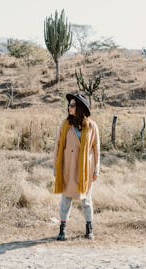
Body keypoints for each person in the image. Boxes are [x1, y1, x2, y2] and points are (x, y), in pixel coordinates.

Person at [53, 93, 100, 241]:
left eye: (72, 105)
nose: (69, 107)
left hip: (86, 170)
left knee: (86, 201)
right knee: (66, 200)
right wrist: (56, 167)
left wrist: (96, 170)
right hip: (68, 168)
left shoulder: (92, 126)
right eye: (69, 105)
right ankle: (62, 230)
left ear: (79, 108)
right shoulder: (66, 125)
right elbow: (58, 146)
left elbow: (96, 150)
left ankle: (89, 228)